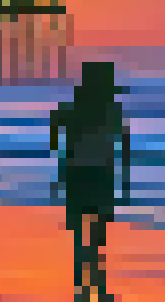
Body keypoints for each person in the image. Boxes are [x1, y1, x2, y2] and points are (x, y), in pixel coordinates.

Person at [49, 61, 132, 299]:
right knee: (96, 233)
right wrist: (123, 180)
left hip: (78, 174)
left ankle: (83, 286)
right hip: (100, 175)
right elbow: (123, 147)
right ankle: (93, 285)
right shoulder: (112, 111)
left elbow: (56, 128)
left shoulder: (74, 109)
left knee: (81, 233)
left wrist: (61, 155)